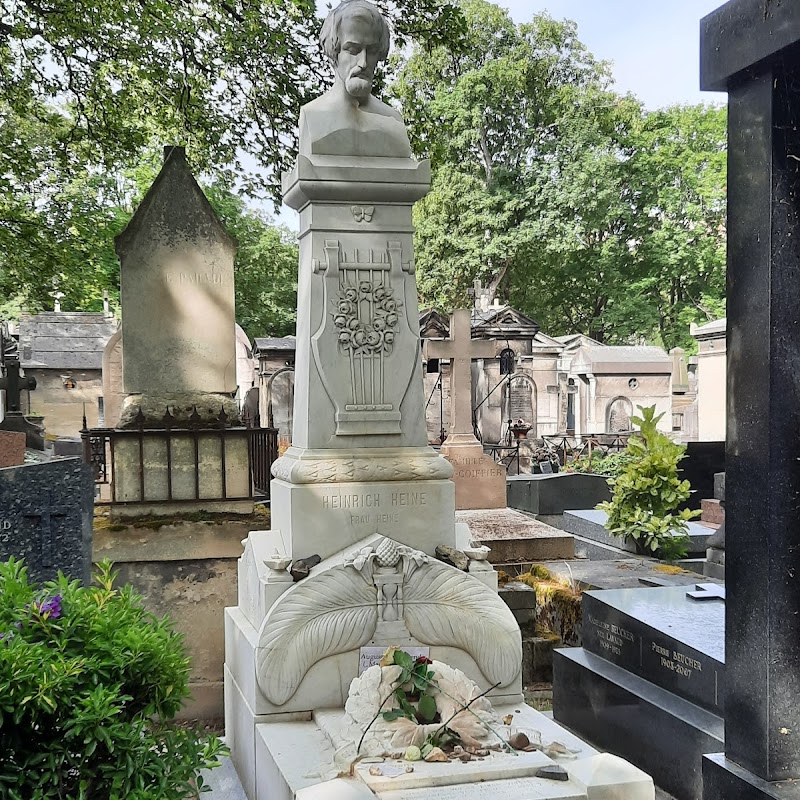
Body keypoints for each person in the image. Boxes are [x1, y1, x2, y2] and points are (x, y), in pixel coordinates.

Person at [298, 0, 412, 158]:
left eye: (371, 51)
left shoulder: (393, 121)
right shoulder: (313, 116)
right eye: (352, 49)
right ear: (333, 52)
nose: (363, 62)